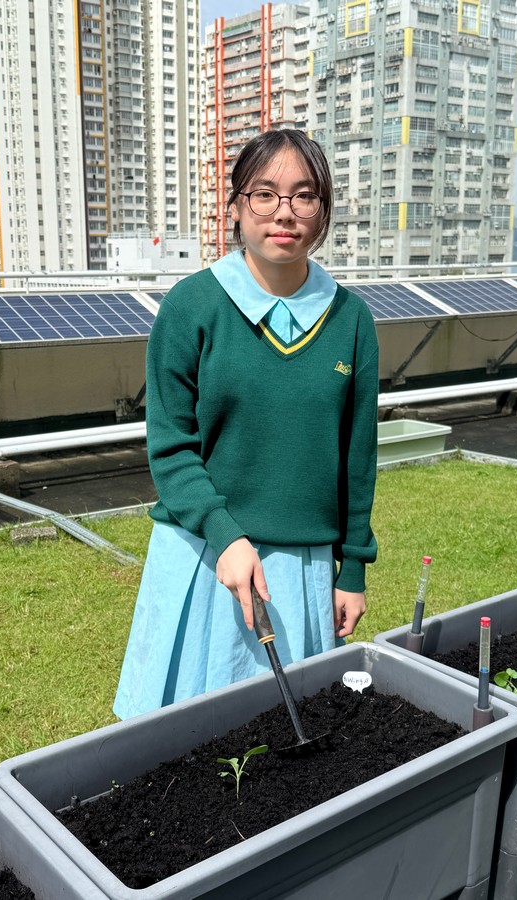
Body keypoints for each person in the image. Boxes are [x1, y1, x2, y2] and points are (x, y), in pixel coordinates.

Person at [113, 129, 379, 720]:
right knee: (182, 742)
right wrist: (225, 535)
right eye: (264, 194)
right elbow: (171, 448)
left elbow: (357, 458)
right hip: (206, 555)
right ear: (235, 206)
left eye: (304, 195)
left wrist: (354, 567)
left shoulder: (351, 319)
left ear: (323, 209)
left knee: (290, 738)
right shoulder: (191, 307)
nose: (284, 213)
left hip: (303, 567)